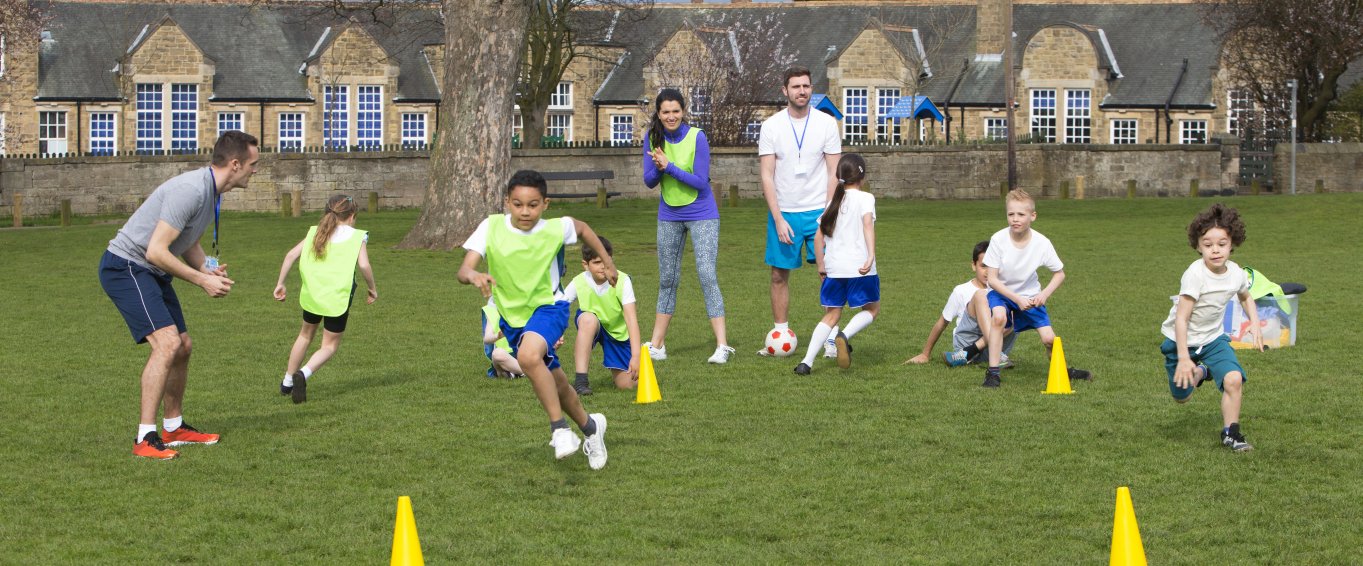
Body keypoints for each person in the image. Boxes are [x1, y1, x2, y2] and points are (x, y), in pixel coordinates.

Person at [98, 131, 258, 460]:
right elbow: (157, 250)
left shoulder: (213, 193)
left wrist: (207, 268)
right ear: (236, 163)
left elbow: (187, 240)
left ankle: (173, 426)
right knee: (167, 343)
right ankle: (145, 437)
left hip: (151, 270)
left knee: (183, 346)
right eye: (253, 164)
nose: (256, 170)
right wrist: (201, 280)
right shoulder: (190, 191)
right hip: (126, 267)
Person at [457, 169, 610, 470]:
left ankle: (559, 430)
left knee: (528, 358)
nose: (525, 211)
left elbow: (583, 229)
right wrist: (474, 275)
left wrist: (610, 264)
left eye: (533, 205)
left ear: (545, 204)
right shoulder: (490, 227)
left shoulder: (556, 228)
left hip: (550, 308)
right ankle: (592, 429)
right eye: (517, 204)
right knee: (557, 383)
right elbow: (463, 271)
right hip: (514, 321)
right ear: (506, 202)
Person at [641, 88, 734, 364]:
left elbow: (700, 181)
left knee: (706, 274)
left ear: (684, 112)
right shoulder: (652, 137)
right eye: (665, 112)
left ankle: (722, 345)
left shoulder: (697, 137)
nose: (671, 116)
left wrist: (668, 166)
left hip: (702, 212)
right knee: (667, 278)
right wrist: (658, 167)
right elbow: (648, 181)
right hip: (668, 214)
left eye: (676, 111)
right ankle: (657, 345)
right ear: (658, 113)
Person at [1161, 203, 1262, 452]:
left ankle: (1231, 433)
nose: (1215, 250)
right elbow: (1182, 319)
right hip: (1180, 342)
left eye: (1222, 244)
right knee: (1181, 398)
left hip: (1214, 340)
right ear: (1198, 246)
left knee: (1234, 379)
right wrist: (1184, 358)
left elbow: (1245, 296)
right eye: (1208, 245)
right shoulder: (1195, 275)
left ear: (1232, 244)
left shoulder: (1236, 272)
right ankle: (1200, 372)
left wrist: (1255, 323)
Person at [757, 66, 842, 355]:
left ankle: (832, 336)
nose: (802, 91)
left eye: (806, 86)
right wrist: (778, 218)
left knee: (828, 273)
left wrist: (827, 214)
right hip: (785, 213)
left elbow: (834, 171)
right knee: (779, 275)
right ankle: (780, 333)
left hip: (820, 210)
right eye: (796, 87)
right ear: (785, 90)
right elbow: (767, 175)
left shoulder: (827, 123)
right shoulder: (771, 126)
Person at [977, 189, 1092, 388]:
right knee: (998, 318)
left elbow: (1060, 273)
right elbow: (993, 280)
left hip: (1030, 296)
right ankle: (993, 372)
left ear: (1033, 216)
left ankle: (1063, 370)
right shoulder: (998, 239)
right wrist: (1016, 298)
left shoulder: (1042, 243)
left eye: (1021, 214)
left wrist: (1044, 294)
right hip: (1001, 293)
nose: (1015, 219)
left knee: (1049, 340)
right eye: (1010, 214)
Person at [272, 194, 378, 404]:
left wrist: (280, 283)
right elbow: (364, 265)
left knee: (305, 335)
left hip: (313, 294)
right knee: (329, 346)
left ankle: (286, 382)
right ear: (352, 215)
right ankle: (303, 373)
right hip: (337, 297)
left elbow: (290, 255)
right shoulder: (358, 236)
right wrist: (372, 288)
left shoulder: (315, 231)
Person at [793, 154, 878, 375]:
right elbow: (867, 224)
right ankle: (843, 336)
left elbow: (818, 238)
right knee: (872, 308)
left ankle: (806, 362)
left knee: (831, 315)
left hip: (834, 267)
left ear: (839, 176)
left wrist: (821, 266)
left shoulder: (833, 203)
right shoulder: (866, 198)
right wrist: (870, 256)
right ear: (862, 175)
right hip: (859, 267)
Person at [904, 241, 1018, 367]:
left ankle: (985, 353)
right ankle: (985, 354)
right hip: (965, 345)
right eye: (983, 266)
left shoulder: (1003, 290)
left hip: (987, 352)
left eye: (992, 267)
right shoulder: (961, 291)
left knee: (1016, 310)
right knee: (981, 295)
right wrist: (925, 354)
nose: (987, 271)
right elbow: (942, 322)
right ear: (974, 265)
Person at [566, 237, 642, 395]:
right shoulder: (578, 282)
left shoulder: (623, 281)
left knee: (628, 384)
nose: (602, 267)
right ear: (585, 265)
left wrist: (636, 356)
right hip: (592, 324)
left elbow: (631, 319)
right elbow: (557, 309)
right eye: (596, 262)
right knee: (588, 319)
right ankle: (581, 381)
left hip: (617, 333)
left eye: (606, 261)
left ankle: (624, 367)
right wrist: (555, 335)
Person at [481, 297, 524, 379]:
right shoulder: (492, 309)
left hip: (524, 354)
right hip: (505, 358)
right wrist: (498, 336)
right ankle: (528, 373)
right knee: (497, 354)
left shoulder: (524, 305)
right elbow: (486, 339)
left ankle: (517, 373)